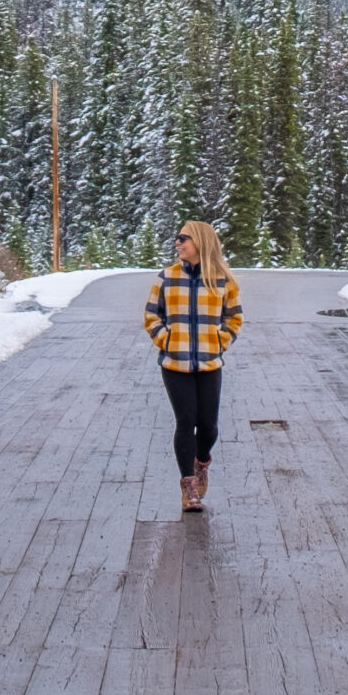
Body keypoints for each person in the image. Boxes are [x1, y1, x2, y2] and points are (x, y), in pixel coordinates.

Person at [143, 219, 243, 514]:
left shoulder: (223, 281)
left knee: (209, 426)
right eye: (177, 238)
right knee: (186, 422)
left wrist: (219, 341)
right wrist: (167, 339)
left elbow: (234, 318)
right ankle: (188, 486)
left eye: (183, 238)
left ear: (200, 241)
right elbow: (151, 315)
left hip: (210, 363)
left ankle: (202, 461)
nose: (178, 242)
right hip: (175, 364)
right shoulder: (166, 277)